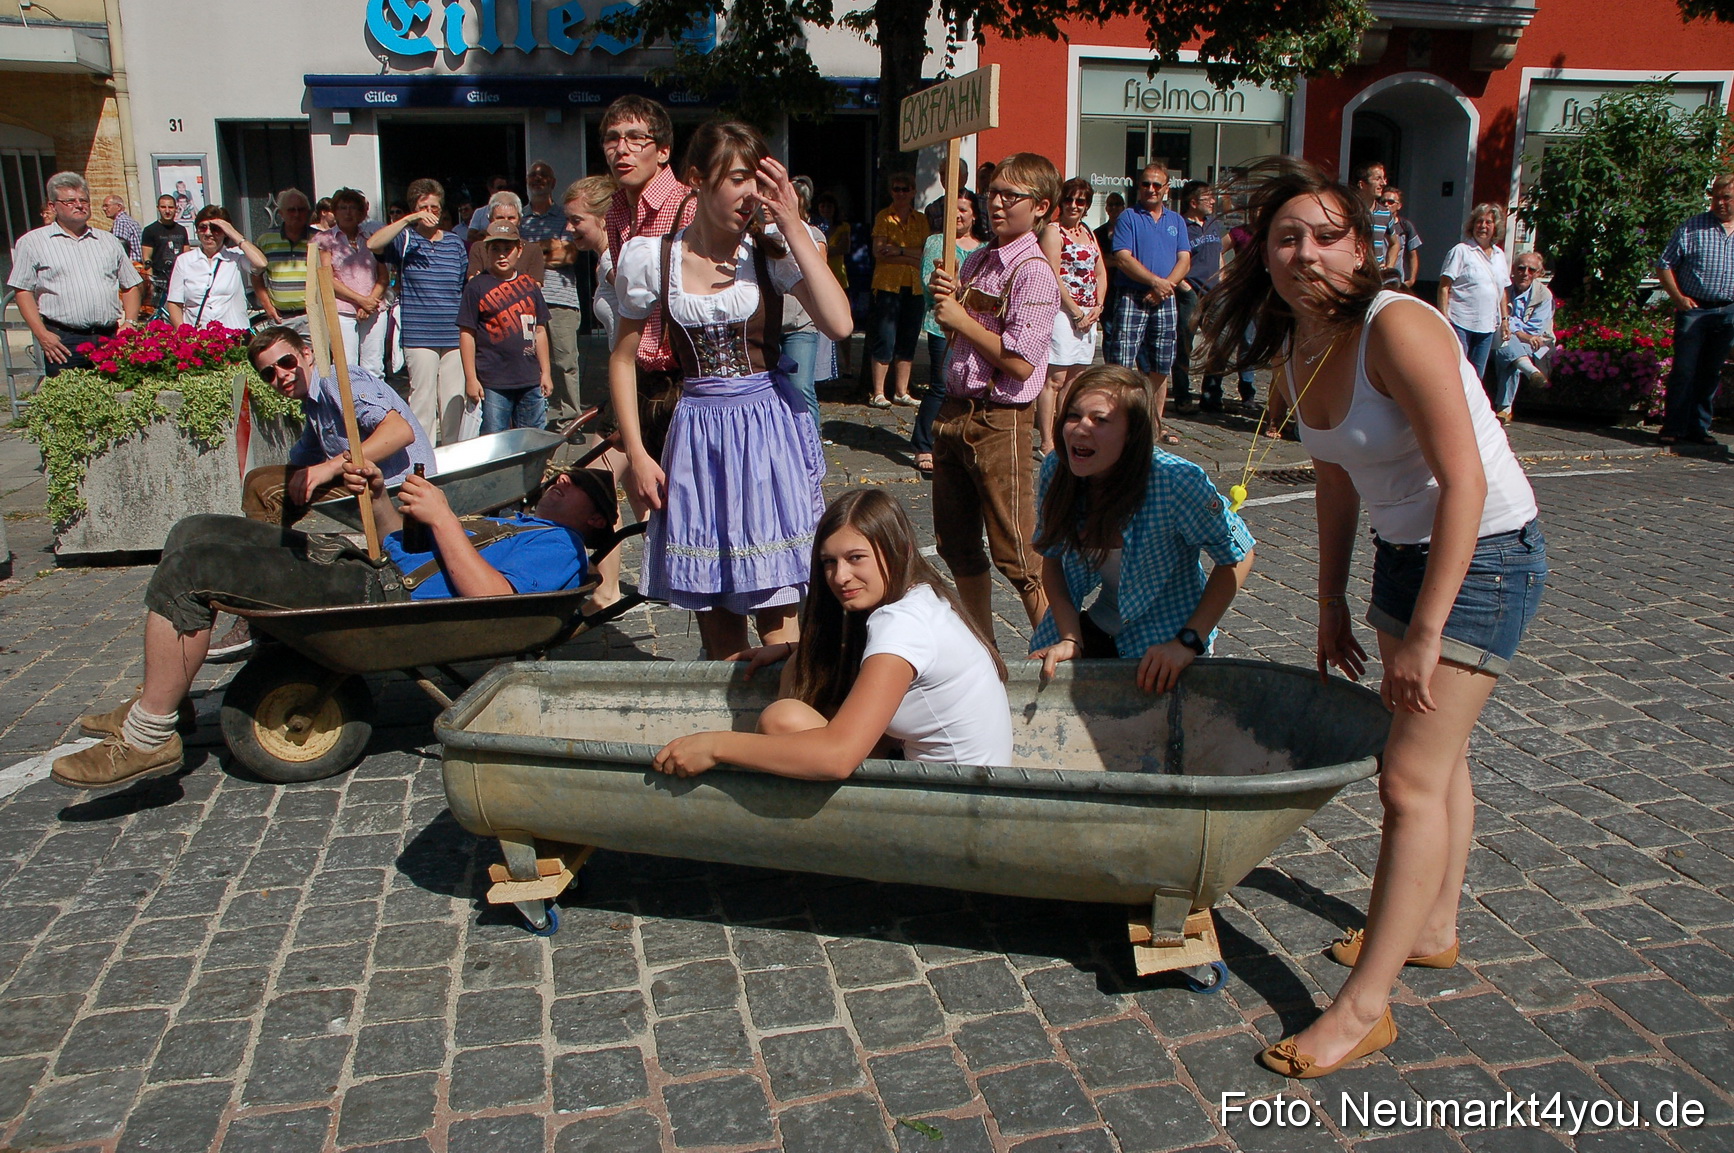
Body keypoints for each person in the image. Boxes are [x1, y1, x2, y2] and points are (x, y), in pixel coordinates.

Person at [1201, 158, 1545, 1079]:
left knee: (1406, 780)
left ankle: (1364, 1009)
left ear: (1364, 245)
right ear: (1262, 254)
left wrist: (1427, 632)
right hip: (1404, 553)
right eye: (1286, 237)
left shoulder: (1401, 327)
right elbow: (1334, 477)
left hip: (1485, 556)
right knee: (1441, 759)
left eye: (1327, 234)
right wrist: (1327, 599)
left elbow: (1467, 479)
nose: (1306, 252)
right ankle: (1432, 924)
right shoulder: (1294, 348)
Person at [54, 462, 615, 791]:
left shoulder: (559, 544)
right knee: (194, 530)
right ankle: (168, 703)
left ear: (594, 519)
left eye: (578, 484)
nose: (561, 478)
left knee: (193, 572)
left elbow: (493, 599)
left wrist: (444, 516)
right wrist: (376, 496)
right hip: (371, 570)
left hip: (378, 598)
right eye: (561, 473)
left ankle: (149, 739)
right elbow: (401, 541)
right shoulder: (513, 521)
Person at [611, 120, 852, 661]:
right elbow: (623, 361)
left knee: (779, 615)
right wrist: (638, 453)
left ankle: (785, 729)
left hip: (767, 434)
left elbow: (838, 323)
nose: (750, 195)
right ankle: (730, 733)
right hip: (698, 438)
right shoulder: (653, 258)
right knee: (717, 621)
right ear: (696, 179)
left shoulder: (770, 253)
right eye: (737, 178)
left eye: (758, 181)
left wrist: (792, 226)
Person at [652, 488, 1012, 779]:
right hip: (951, 777)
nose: (839, 577)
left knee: (782, 720)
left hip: (946, 802)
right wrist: (795, 648)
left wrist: (717, 745)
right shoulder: (924, 597)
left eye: (856, 558)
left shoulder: (903, 624)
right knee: (797, 667)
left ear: (898, 551)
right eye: (829, 561)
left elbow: (838, 757)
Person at [1028, 365, 1254, 688]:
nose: (1079, 429)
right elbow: (1052, 561)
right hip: (1097, 625)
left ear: (1133, 432)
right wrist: (1070, 637)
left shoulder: (1176, 481)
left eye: (1100, 419)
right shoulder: (1058, 470)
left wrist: (1188, 642)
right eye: (1073, 416)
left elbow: (1241, 555)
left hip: (1168, 638)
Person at [927, 152, 1064, 634]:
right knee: (958, 545)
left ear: (1041, 206)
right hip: (953, 414)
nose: (997, 203)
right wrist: (947, 300)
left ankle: (1056, 647)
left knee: (1019, 553)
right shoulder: (982, 259)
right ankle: (984, 648)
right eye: (994, 193)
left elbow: (1022, 360)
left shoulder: (1033, 271)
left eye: (1011, 196)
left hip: (999, 420)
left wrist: (962, 318)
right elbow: (956, 337)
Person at [240, 324, 433, 527]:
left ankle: (269, 554)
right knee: (257, 477)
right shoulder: (314, 403)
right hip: (363, 483)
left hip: (395, 489)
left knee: (263, 489)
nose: (281, 375)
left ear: (307, 355)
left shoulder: (335, 380)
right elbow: (303, 459)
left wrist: (329, 468)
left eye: (286, 362)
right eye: (269, 373)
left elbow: (400, 432)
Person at [603, 94, 699, 468]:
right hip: (643, 376)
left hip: (691, 379)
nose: (621, 150)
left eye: (635, 139)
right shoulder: (616, 213)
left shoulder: (687, 206)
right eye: (612, 139)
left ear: (662, 152)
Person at [564, 173, 629, 609]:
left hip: (641, 389)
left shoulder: (619, 261)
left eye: (575, 220)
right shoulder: (605, 259)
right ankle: (613, 583)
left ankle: (606, 588)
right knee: (634, 491)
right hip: (625, 386)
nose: (568, 229)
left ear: (603, 216)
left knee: (598, 481)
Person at [7, 172, 143, 376]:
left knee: (114, 402)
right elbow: (22, 290)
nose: (79, 205)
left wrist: (130, 323)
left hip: (108, 337)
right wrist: (41, 334)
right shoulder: (33, 242)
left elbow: (131, 285)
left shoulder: (108, 241)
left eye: (83, 200)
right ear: (53, 206)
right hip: (63, 341)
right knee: (70, 405)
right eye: (70, 201)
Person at [370, 178, 470, 444]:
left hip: (453, 334)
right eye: (424, 207)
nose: (430, 213)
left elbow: (462, 286)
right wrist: (407, 220)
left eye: (435, 207)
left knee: (453, 402)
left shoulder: (455, 243)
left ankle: (452, 457)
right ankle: (423, 460)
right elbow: (373, 244)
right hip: (420, 335)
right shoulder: (404, 240)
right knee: (422, 401)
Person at [1107, 165, 1190, 445]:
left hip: (1165, 298)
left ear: (1167, 188)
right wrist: (1156, 282)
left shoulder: (1176, 220)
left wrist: (1164, 288)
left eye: (1157, 185)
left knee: (1161, 365)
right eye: (1146, 184)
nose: (1151, 189)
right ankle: (1120, 424)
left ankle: (1154, 428)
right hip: (1133, 294)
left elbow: (1184, 260)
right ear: (1139, 186)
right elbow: (1122, 257)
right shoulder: (1129, 217)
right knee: (1122, 362)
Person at [1655, 174, 1734, 448]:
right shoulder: (1693, 227)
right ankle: (1673, 427)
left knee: (1711, 372)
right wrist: (1678, 297)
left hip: (1728, 311)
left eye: (1727, 198)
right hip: (1695, 309)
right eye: (1716, 197)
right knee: (1685, 370)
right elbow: (1664, 263)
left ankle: (1698, 428)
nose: (1720, 203)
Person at [911, 190, 986, 477]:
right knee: (941, 383)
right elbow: (929, 285)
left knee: (970, 385)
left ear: (974, 214)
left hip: (975, 326)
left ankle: (959, 439)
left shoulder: (985, 247)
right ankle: (923, 443)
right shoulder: (937, 243)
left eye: (963, 209)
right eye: (953, 209)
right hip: (942, 324)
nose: (957, 215)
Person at [458, 221, 553, 435]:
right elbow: (467, 333)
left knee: (532, 437)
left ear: (519, 250)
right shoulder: (476, 287)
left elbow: (540, 330)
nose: (502, 255)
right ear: (486, 250)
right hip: (493, 380)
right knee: (495, 438)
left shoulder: (530, 285)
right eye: (496, 249)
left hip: (530, 378)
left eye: (507, 249)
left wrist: (546, 372)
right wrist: (471, 378)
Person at [1037, 178, 1107, 456]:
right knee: (1054, 380)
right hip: (1063, 315)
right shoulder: (1053, 232)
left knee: (1075, 381)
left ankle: (1064, 431)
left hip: (1088, 316)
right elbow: (1053, 274)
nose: (1074, 206)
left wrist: (1098, 306)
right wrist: (1076, 311)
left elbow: (1100, 271)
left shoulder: (1087, 232)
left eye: (1081, 201)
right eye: (1069, 200)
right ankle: (1046, 441)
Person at [519, 160, 585, 427]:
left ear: (553, 183)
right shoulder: (519, 218)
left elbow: (568, 254)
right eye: (533, 175)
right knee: (527, 361)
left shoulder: (564, 217)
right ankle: (536, 419)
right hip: (524, 299)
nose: (538, 179)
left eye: (544, 176)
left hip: (561, 300)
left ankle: (571, 419)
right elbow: (514, 259)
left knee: (566, 362)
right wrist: (547, 248)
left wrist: (530, 251)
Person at [867, 175, 929, 408]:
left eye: (905, 189)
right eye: (896, 189)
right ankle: (878, 392)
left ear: (913, 192)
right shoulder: (884, 216)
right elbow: (879, 251)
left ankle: (902, 391)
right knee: (885, 336)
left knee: (908, 336)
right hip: (887, 284)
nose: (900, 193)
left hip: (914, 285)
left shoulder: (920, 220)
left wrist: (899, 250)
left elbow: (925, 252)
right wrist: (909, 256)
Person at [314, 187, 389, 375]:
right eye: (342, 208)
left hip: (373, 308)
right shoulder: (325, 239)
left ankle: (373, 403)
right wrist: (359, 300)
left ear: (362, 212)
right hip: (342, 310)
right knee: (346, 367)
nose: (348, 212)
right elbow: (326, 278)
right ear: (335, 212)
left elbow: (383, 275)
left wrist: (369, 302)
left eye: (353, 208)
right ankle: (348, 405)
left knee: (374, 367)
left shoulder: (371, 238)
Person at [779, 176, 832, 425]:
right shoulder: (761, 232)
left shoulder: (813, 234)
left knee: (800, 387)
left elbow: (821, 278)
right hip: (767, 324)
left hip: (800, 323)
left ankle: (811, 450)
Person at [1437, 204, 1511, 379]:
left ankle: (1472, 406)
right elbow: (1444, 287)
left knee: (1477, 375)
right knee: (1458, 369)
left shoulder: (1500, 255)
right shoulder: (1461, 251)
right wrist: (1444, 318)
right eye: (1479, 222)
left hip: (1487, 325)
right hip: (1459, 320)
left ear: (1496, 227)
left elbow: (1501, 290)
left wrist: (1505, 319)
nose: (1483, 226)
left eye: (1488, 222)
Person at [165, 206, 267, 332]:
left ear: (225, 232)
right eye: (203, 227)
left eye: (216, 229)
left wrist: (235, 234)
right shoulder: (184, 261)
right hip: (199, 338)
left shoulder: (236, 257)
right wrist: (184, 333)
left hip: (234, 335)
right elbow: (175, 302)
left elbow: (261, 263)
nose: (208, 233)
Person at [1173, 180, 1227, 413]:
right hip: (1190, 292)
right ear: (1193, 202)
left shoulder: (1214, 224)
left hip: (1215, 292)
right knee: (1184, 345)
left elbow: (1219, 254)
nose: (1214, 201)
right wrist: (1183, 287)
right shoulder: (1180, 226)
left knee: (1222, 343)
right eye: (1208, 198)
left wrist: (1223, 279)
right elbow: (1173, 259)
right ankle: (1182, 395)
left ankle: (1211, 393)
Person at [1489, 251, 1554, 423]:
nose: (1525, 273)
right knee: (1507, 344)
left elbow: (1535, 329)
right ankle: (1530, 371)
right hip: (1512, 339)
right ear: (1513, 270)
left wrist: (1512, 328)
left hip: (1535, 343)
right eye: (1521, 268)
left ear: (1538, 274)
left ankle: (1505, 408)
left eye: (1531, 270)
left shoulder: (1544, 295)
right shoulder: (1504, 291)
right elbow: (1497, 318)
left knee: (1508, 349)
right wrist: (1514, 330)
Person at [253, 189, 316, 328]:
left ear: (308, 212)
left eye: (301, 209)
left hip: (312, 316)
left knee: (313, 351)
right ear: (281, 213)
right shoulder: (266, 240)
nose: (296, 214)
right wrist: (267, 305)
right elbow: (256, 275)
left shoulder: (319, 239)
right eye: (291, 210)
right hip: (280, 318)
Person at [812, 192, 853, 378]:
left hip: (837, 276)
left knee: (842, 320)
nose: (826, 210)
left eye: (829, 206)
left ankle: (848, 362)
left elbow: (844, 247)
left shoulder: (843, 227)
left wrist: (823, 248)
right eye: (823, 206)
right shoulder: (814, 226)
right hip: (820, 277)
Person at [463, 193, 545, 282]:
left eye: (511, 218)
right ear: (490, 219)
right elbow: (474, 283)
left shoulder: (533, 250)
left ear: (519, 220)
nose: (505, 223)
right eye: (500, 218)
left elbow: (534, 288)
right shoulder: (479, 248)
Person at [140, 194, 189, 317]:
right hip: (159, 279)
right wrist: (150, 280)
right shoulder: (150, 230)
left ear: (176, 208)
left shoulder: (181, 230)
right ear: (158, 208)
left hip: (178, 277)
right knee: (158, 313)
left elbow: (187, 255)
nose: (167, 211)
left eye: (170, 207)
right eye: (163, 207)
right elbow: (147, 258)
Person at [1352, 163, 1398, 280]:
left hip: (1376, 277)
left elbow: (1395, 243)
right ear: (1362, 184)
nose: (1383, 183)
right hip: (1354, 276)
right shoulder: (1349, 211)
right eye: (1378, 179)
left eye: (1384, 178)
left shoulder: (1385, 213)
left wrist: (1389, 267)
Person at [1095, 191, 1125, 355]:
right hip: (1107, 288)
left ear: (1123, 208)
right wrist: (1121, 261)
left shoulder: (1128, 231)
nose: (1114, 208)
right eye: (1110, 205)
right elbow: (1098, 260)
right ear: (1106, 208)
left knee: (1122, 332)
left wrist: (1113, 259)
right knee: (1108, 331)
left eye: (1117, 204)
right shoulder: (1098, 233)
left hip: (1125, 287)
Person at [1384, 187, 1421, 290]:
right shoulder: (1375, 223)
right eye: (1383, 201)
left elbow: (1412, 254)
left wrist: (1412, 279)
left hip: (1396, 281)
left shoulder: (1405, 226)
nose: (1386, 204)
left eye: (1390, 202)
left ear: (1399, 206)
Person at [102, 195, 143, 261]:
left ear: (119, 207)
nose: (104, 209)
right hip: (138, 264)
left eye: (107, 206)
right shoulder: (129, 220)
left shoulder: (120, 221)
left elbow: (119, 246)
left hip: (132, 265)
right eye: (103, 206)